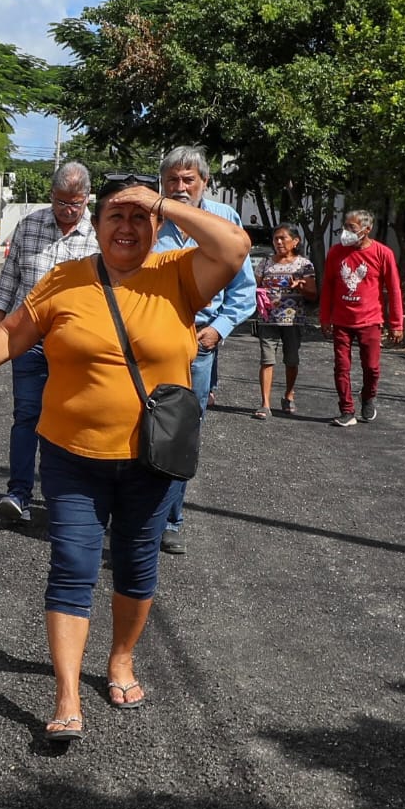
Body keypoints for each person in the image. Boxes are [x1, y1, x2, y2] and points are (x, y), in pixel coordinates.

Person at [0, 182, 249, 738]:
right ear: (97, 222)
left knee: (136, 565)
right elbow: (13, 332)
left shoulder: (179, 272)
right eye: (115, 215)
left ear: (157, 226)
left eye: (139, 217)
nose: (127, 226)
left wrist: (163, 202)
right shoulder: (65, 278)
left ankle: (121, 660)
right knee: (72, 568)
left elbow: (233, 246)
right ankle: (65, 693)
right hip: (71, 458)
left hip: (150, 459)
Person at [152, 146, 255, 556]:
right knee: (141, 429)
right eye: (172, 180)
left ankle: (170, 520)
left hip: (198, 346)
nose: (179, 187)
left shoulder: (225, 222)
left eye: (188, 180)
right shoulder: (151, 223)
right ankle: (141, 515)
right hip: (150, 342)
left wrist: (219, 330)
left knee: (180, 437)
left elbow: (244, 293)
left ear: (204, 183)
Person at [0, 161, 99, 525]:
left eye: (76, 203)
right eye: (61, 201)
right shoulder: (30, 225)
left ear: (87, 199)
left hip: (76, 344)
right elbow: (10, 278)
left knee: (72, 419)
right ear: (51, 196)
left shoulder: (99, 234)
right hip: (29, 341)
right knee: (27, 417)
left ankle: (65, 499)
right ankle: (18, 493)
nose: (68, 210)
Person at [318, 210, 402, 426]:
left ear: (367, 229)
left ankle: (368, 397)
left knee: (372, 367)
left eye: (352, 228)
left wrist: (396, 324)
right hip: (341, 321)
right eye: (345, 226)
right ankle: (346, 410)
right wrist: (325, 317)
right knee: (341, 366)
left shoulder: (383, 254)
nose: (346, 232)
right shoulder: (336, 252)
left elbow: (394, 290)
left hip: (370, 321)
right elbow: (327, 286)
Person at [251, 224, 316, 418]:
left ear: (295, 241)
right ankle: (265, 404)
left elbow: (313, 294)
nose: (278, 242)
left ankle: (288, 395)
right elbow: (254, 285)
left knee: (291, 360)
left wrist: (301, 287)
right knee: (267, 360)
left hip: (293, 320)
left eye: (283, 238)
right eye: (275, 239)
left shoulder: (304, 265)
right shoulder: (265, 263)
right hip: (268, 319)